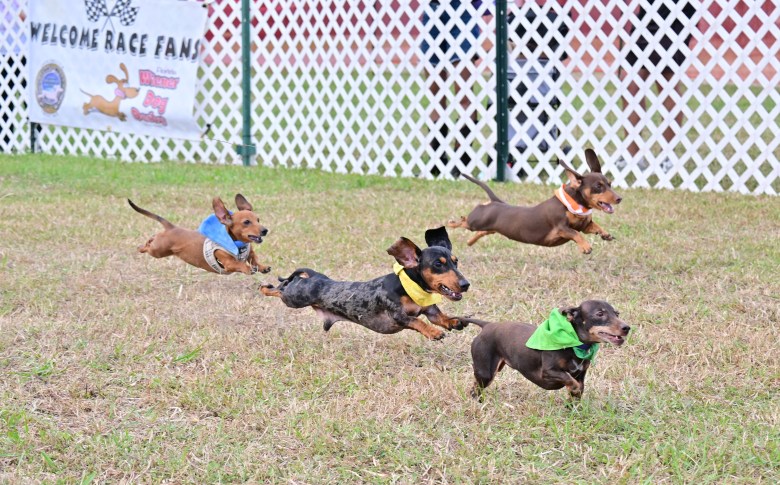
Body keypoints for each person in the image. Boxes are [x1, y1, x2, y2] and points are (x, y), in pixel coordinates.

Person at [618, 0, 697, 172]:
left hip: (678, 10)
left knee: (666, 77)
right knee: (631, 78)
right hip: (649, 10)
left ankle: (666, 155)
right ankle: (633, 154)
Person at [421, 0, 483, 176]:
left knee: (463, 93)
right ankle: (437, 159)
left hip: (462, 10)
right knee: (435, 96)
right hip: (432, 10)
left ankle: (462, 161)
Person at [0, 2, 26, 151]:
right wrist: (15, 16)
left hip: (26, 48)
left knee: (29, 96)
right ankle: (5, 139)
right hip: (5, 48)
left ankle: (36, 138)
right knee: (5, 97)